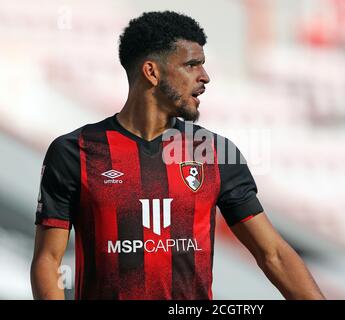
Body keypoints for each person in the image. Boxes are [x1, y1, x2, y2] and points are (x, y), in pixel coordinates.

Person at [30, 11, 325, 300]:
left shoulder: (214, 152)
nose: (205, 77)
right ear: (152, 72)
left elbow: (272, 254)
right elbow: (48, 259)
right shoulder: (73, 151)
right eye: (191, 65)